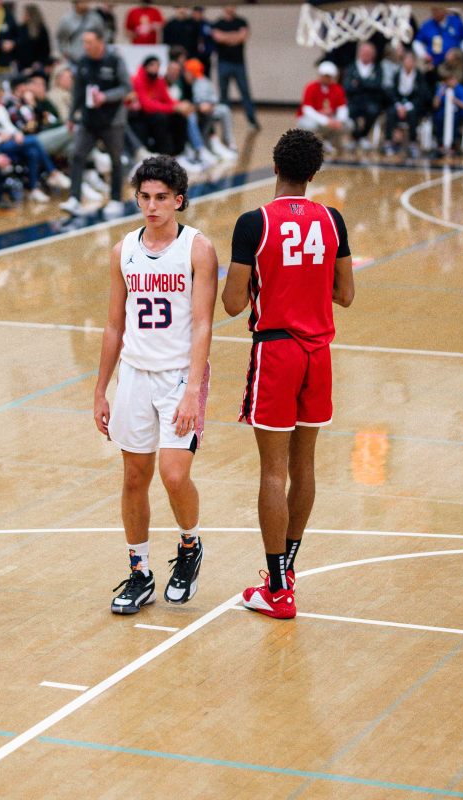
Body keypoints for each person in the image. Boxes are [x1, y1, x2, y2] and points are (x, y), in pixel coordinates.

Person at [221, 129, 355, 619]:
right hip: (319, 353)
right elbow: (346, 294)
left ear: (274, 167)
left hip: (277, 353)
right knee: (304, 467)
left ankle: (276, 589)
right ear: (314, 173)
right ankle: (288, 571)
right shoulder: (332, 219)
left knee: (273, 471)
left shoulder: (253, 222)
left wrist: (260, 281)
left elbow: (233, 304)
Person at [93, 156, 217, 614]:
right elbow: (112, 326)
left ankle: (189, 546)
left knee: (174, 473)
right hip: (134, 376)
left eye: (161, 197)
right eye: (145, 197)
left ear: (178, 200)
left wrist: (191, 390)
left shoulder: (197, 248)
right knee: (133, 477)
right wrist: (100, 390)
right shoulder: (122, 249)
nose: (152, 205)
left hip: (180, 375)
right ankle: (140, 571)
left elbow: (203, 324)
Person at [60, 28, 128, 219]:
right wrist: (72, 116)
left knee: (116, 159)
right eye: (84, 42)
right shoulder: (83, 62)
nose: (85, 46)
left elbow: (126, 87)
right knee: (77, 155)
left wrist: (105, 97)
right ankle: (74, 198)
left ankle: (116, 199)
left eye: (89, 42)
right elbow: (78, 92)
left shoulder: (115, 60)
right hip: (89, 119)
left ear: (100, 42)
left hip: (112, 120)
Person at [212, 5, 258, 130]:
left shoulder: (241, 21)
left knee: (245, 92)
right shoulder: (218, 23)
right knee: (223, 93)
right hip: (223, 62)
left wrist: (227, 37)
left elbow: (242, 36)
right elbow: (218, 37)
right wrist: (234, 36)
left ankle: (252, 120)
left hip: (239, 63)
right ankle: (224, 120)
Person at [296, 62, 352, 151]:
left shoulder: (338, 89)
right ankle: (313, 145)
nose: (326, 79)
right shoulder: (311, 87)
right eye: (324, 76)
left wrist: (339, 120)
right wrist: (325, 120)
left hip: (331, 119)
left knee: (348, 124)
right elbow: (307, 110)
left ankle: (330, 142)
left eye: (328, 76)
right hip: (313, 119)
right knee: (311, 126)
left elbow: (342, 108)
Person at [343, 42, 389, 149]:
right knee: (349, 111)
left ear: (373, 55)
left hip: (371, 101)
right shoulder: (351, 67)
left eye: (369, 53)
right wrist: (367, 84)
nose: (366, 55)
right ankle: (355, 136)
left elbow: (377, 85)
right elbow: (347, 86)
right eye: (364, 53)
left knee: (373, 111)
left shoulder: (377, 68)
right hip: (354, 100)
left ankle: (363, 136)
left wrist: (359, 83)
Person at [385, 51, 431, 156]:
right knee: (391, 112)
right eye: (406, 60)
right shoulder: (397, 74)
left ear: (414, 62)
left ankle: (412, 143)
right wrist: (399, 105)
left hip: (413, 105)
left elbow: (421, 94)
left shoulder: (419, 75)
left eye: (411, 61)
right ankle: (389, 142)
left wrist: (407, 106)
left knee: (413, 113)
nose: (409, 63)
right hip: (398, 103)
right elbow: (392, 92)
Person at [413, 7, 463, 75]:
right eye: (433, 10)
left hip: (454, 66)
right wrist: (423, 55)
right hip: (435, 65)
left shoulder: (455, 21)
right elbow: (417, 42)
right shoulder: (427, 25)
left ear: (444, 10)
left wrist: (458, 53)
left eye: (437, 9)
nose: (435, 12)